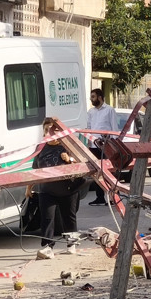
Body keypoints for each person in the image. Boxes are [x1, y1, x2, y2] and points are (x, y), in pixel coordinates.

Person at [33, 117, 83, 259]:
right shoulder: (40, 148)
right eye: (47, 130)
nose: (50, 133)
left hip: (68, 189)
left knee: (69, 218)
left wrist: (69, 159)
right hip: (46, 190)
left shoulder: (67, 146)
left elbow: (81, 164)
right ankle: (47, 247)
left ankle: (71, 244)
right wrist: (29, 188)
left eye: (53, 130)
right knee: (47, 219)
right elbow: (35, 169)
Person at [85, 88, 118, 206]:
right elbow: (88, 128)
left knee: (109, 171)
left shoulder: (109, 110)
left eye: (93, 97)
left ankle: (114, 197)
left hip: (106, 145)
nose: (91, 99)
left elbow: (114, 128)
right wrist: (88, 142)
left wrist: (114, 144)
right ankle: (100, 198)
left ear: (100, 97)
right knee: (97, 172)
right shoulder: (91, 112)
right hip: (94, 146)